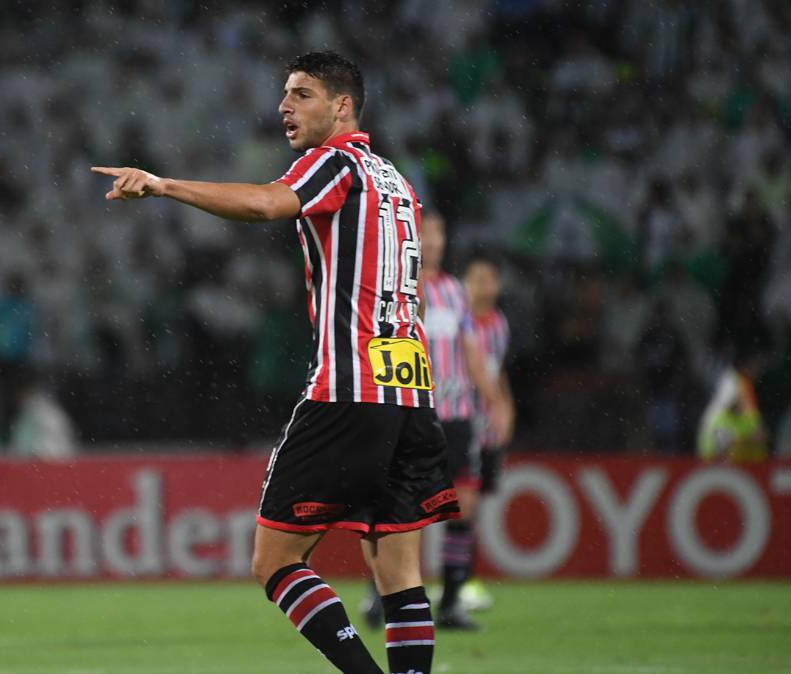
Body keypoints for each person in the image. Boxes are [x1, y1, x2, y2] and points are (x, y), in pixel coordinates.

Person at [94, 51, 458, 674]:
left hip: (350, 389)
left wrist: (162, 184)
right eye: (284, 94)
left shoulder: (334, 161)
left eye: (302, 94)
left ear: (343, 106)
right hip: (410, 391)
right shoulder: (395, 179)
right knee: (397, 573)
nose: (284, 106)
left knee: (275, 561)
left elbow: (268, 204)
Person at [415, 211, 512, 631]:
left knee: (465, 504)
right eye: (426, 235)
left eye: (439, 234)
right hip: (416, 413)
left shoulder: (456, 292)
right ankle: (385, 594)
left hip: (457, 416)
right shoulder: (400, 286)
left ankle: (451, 602)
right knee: (404, 511)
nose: (434, 242)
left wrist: (495, 401)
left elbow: (471, 351)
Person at [460, 251, 514, 611]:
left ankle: (464, 581)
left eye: (489, 278)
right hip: (453, 418)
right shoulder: (455, 319)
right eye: (476, 278)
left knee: (472, 504)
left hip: (481, 425)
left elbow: (495, 371)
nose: (483, 285)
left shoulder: (499, 325)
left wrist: (505, 408)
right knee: (455, 502)